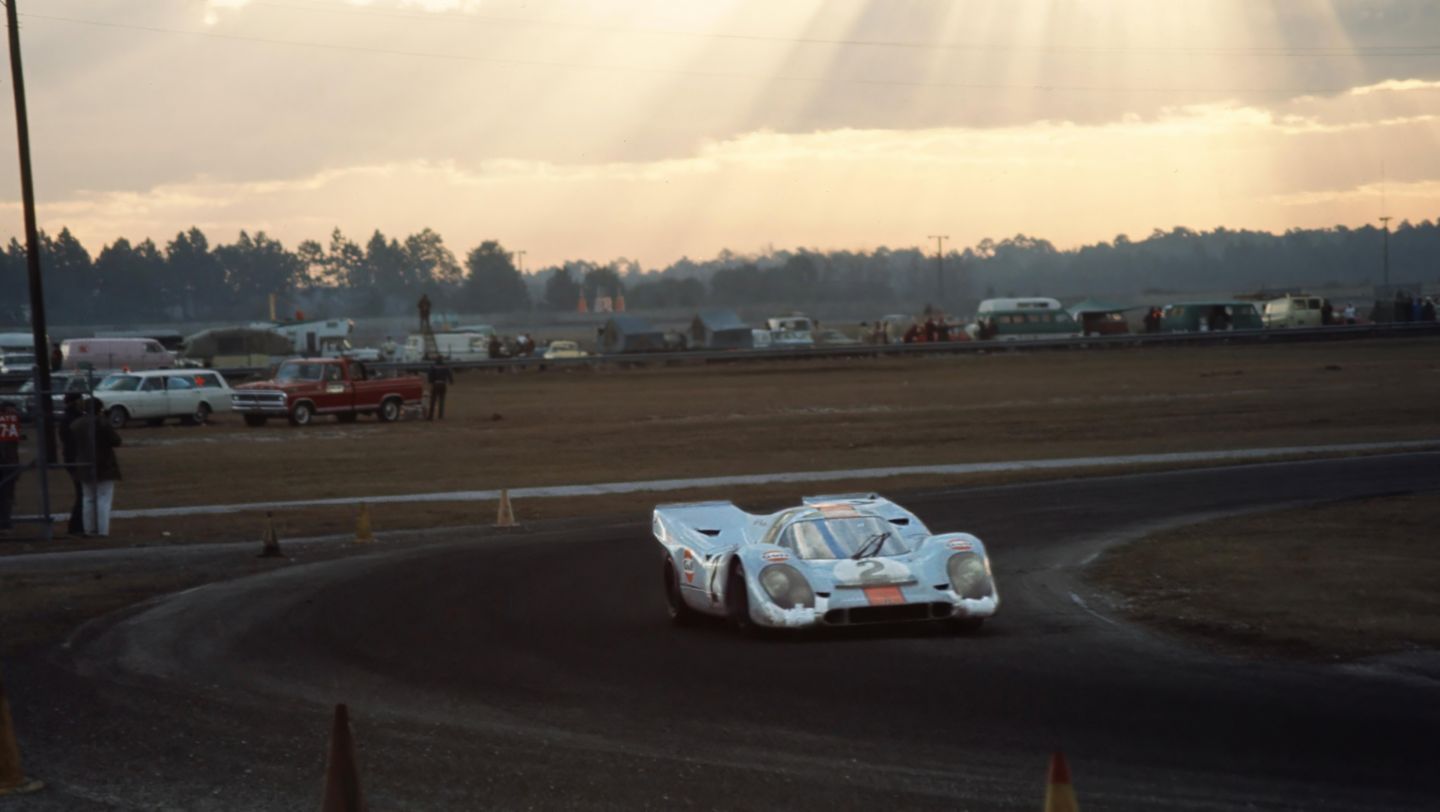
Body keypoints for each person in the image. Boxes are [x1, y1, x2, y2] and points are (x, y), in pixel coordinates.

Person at [71, 397, 122, 538]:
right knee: (103, 499)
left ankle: (89, 529)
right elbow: (116, 441)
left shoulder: (76, 424)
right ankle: (102, 530)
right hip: (104, 463)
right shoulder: (101, 423)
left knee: (87, 498)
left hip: (83, 463)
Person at [59, 392, 86, 536]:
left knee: (82, 493)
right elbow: (70, 443)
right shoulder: (71, 419)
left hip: (74, 459)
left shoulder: (71, 417)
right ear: (74, 402)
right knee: (82, 494)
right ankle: (76, 526)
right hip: (75, 460)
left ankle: (78, 525)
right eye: (80, 400)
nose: (82, 402)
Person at [0, 401, 19, 534]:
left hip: (10, 464)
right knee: (6, 495)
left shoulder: (12, 428)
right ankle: (5, 523)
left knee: (8, 495)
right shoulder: (7, 427)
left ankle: (6, 522)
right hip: (6, 464)